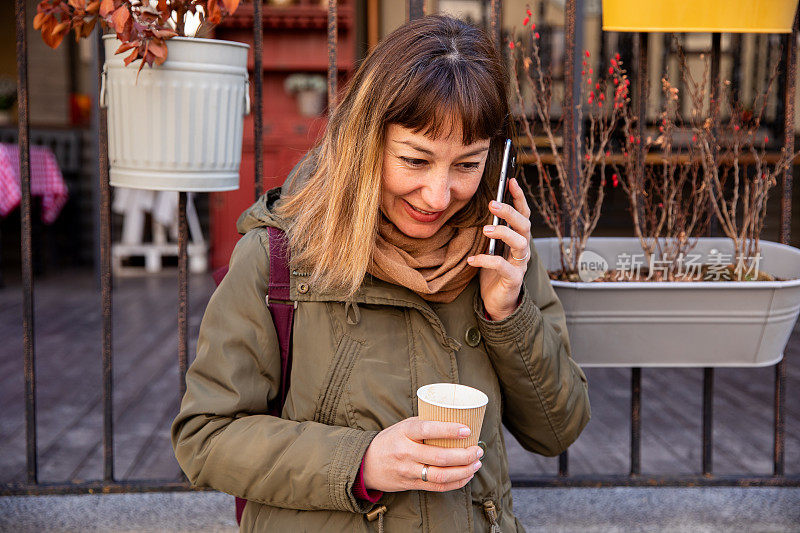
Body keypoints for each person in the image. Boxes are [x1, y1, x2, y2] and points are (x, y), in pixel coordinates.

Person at [171, 14, 590, 533]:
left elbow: (557, 429)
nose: (439, 197)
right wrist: (361, 462)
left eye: (467, 165)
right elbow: (205, 438)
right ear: (366, 144)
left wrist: (507, 313)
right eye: (415, 161)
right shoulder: (279, 254)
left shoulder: (500, 252)